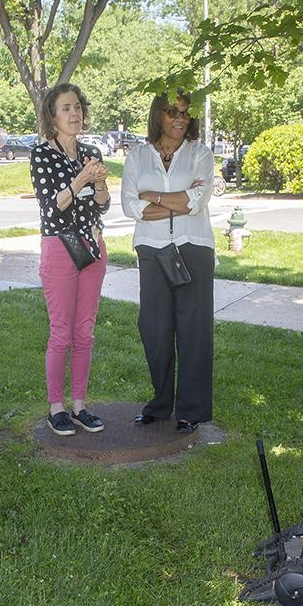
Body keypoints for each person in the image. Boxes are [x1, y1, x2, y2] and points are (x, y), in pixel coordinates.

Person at [121, 91, 215, 434]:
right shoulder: (137, 153)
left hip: (194, 247)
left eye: (185, 114)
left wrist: (155, 198)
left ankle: (191, 409)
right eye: (173, 112)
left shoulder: (200, 154)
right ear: (157, 115)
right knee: (155, 329)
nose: (180, 119)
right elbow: (131, 206)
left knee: (194, 330)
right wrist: (177, 201)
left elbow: (197, 201)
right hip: (152, 248)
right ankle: (161, 404)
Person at [30, 83, 111, 436]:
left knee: (85, 332)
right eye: (65, 108)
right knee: (61, 332)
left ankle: (79, 405)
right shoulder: (41, 155)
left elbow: (101, 204)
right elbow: (53, 208)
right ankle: (57, 407)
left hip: (92, 246)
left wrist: (103, 186)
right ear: (52, 116)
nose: (74, 113)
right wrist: (81, 178)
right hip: (60, 248)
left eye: (77, 106)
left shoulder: (91, 152)